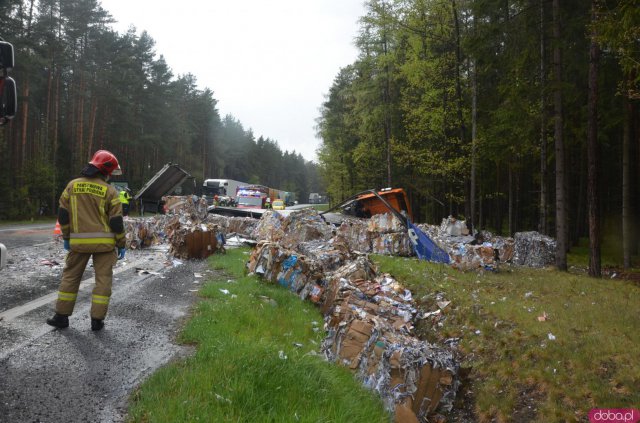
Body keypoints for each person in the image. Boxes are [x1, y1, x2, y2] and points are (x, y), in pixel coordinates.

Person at [46, 150, 126, 331]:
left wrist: (67, 237)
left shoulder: (72, 186)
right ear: (105, 172)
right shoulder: (110, 191)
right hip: (105, 246)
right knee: (103, 281)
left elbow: (63, 216)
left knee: (70, 278)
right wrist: (121, 244)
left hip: (78, 244)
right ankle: (97, 321)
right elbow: (116, 222)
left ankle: (61, 317)